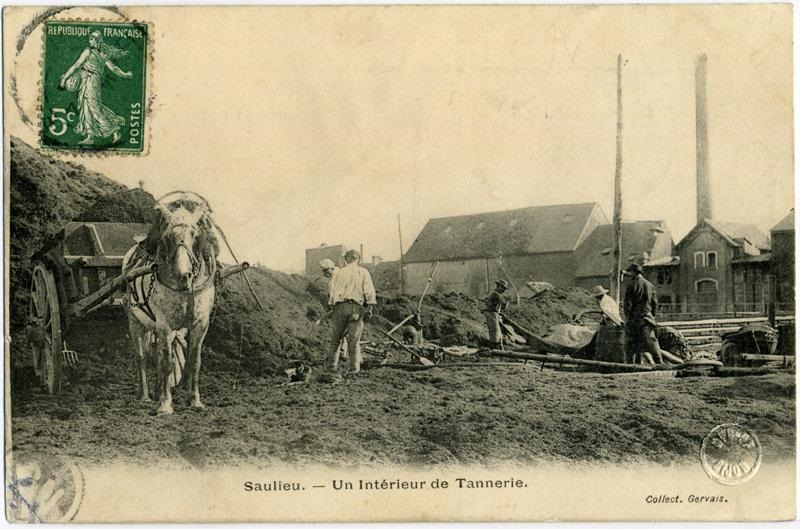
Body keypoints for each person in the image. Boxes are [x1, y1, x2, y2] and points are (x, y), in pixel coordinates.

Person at [59, 30, 132, 145]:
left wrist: (125, 74)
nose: (90, 41)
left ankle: (114, 130)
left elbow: (113, 68)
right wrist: (65, 78)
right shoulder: (92, 51)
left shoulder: (97, 53)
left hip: (92, 81)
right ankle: (90, 136)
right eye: (89, 39)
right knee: (85, 106)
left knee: (94, 107)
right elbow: (77, 65)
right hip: (85, 79)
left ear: (97, 40)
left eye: (92, 39)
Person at [326, 250, 376, 374]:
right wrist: (370, 307)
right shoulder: (363, 272)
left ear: (346, 259)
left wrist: (332, 308)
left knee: (336, 340)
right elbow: (369, 291)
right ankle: (354, 369)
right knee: (354, 341)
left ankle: (331, 368)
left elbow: (332, 291)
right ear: (358, 259)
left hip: (339, 308)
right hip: (355, 308)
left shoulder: (338, 273)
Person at [622, 263, 664, 364]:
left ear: (634, 272)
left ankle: (630, 364)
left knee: (631, 342)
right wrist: (652, 315)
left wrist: (628, 317)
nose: (630, 274)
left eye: (630, 272)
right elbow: (655, 304)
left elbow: (628, 304)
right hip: (647, 318)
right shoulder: (650, 285)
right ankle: (659, 362)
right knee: (652, 341)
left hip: (634, 319)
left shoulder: (631, 285)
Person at [317, 258, 347, 361]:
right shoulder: (335, 276)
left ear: (332, 268)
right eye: (323, 271)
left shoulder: (337, 278)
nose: (325, 273)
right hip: (341, 307)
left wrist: (332, 309)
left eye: (326, 270)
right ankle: (342, 353)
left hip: (343, 307)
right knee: (342, 332)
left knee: (339, 332)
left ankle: (337, 356)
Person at [484, 279, 509, 349]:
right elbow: (492, 306)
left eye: (504, 288)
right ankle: (494, 349)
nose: (503, 290)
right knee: (495, 332)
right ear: (499, 286)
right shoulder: (495, 295)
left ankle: (497, 348)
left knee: (497, 332)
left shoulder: (497, 295)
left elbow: (502, 307)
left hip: (494, 314)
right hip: (492, 314)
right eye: (502, 288)